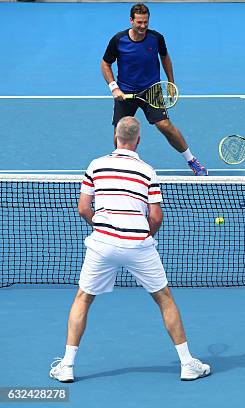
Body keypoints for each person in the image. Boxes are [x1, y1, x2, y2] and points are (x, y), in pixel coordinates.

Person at [49, 116, 210, 382]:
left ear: (116, 137)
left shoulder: (96, 166)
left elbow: (83, 208)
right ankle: (187, 364)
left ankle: (66, 365)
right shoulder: (148, 171)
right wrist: (140, 235)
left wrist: (102, 227)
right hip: (139, 245)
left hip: (102, 243)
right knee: (164, 298)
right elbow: (156, 217)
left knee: (83, 299)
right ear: (138, 140)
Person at [101, 3, 207, 176]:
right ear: (131, 20)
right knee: (120, 132)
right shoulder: (118, 40)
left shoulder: (156, 38)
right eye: (139, 22)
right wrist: (114, 88)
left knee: (165, 126)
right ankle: (123, 167)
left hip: (152, 90)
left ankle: (191, 160)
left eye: (146, 22)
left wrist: (171, 83)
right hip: (125, 93)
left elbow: (165, 57)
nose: (143, 26)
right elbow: (105, 63)